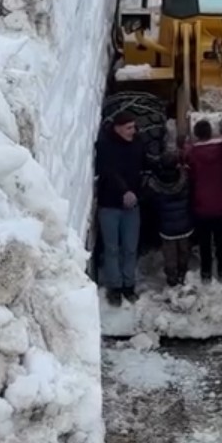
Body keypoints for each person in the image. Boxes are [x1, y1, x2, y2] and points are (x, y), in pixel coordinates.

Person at [95, 111, 146, 304]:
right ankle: (114, 287)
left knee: (130, 247)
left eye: (134, 127)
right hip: (110, 204)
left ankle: (129, 284)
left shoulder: (137, 144)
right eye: (128, 128)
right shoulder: (106, 145)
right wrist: (124, 191)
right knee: (112, 248)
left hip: (132, 204)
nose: (132, 131)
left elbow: (143, 166)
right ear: (117, 128)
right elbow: (108, 171)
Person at [184, 119, 222, 283]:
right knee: (220, 240)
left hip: (201, 204)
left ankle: (206, 273)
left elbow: (189, 175)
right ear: (211, 132)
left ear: (196, 135)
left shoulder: (192, 153)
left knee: (204, 241)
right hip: (220, 203)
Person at [143, 151, 195, 287]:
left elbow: (149, 200)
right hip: (184, 223)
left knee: (169, 252)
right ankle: (183, 271)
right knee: (184, 249)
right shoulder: (184, 179)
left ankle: (171, 276)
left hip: (166, 226)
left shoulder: (155, 182)